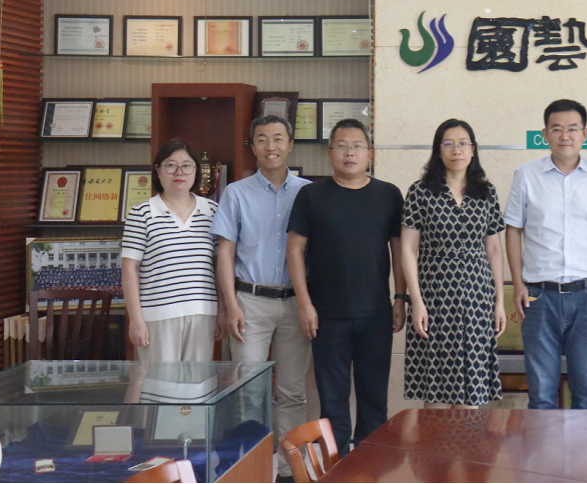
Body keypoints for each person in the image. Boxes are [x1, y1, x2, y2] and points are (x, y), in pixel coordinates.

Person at [286, 118, 405, 453]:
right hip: (327, 316)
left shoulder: (388, 194)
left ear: (369, 153)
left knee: (374, 404)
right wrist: (305, 304)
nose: (349, 153)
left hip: (376, 315)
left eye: (356, 146)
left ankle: (371, 469)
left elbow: (399, 250)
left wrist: (400, 298)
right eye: (341, 146)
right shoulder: (311, 195)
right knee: (333, 406)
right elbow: (294, 251)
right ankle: (335, 471)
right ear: (330, 152)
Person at [212, 114, 312, 480]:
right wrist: (231, 305)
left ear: (290, 145)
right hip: (249, 303)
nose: (271, 146)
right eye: (262, 139)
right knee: (250, 392)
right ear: (252, 146)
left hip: (295, 302)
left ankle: (289, 469)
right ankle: (255, 470)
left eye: (278, 138)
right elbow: (225, 253)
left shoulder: (308, 192)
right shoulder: (236, 193)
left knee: (292, 392)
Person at [505, 99, 587, 409]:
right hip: (539, 297)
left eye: (572, 128)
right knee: (541, 394)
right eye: (556, 129)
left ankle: (585, 445)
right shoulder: (526, 174)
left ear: (585, 134)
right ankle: (544, 445)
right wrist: (518, 283)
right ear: (544, 134)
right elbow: (513, 230)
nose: (564, 136)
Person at [400, 119, 506, 407]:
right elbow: (408, 249)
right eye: (448, 144)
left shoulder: (486, 192)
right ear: (438, 150)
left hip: (477, 301)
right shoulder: (420, 192)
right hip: (434, 300)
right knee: (436, 398)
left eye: (463, 144)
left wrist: (499, 302)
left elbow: (494, 250)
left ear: (473, 150)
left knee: (472, 399)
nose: (456, 150)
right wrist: (416, 302)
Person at [121, 138, 220, 361]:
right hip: (157, 315)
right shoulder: (142, 213)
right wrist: (136, 320)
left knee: (199, 381)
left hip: (203, 313)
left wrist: (222, 310)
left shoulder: (212, 211)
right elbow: (129, 268)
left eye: (187, 165)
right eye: (170, 165)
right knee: (158, 381)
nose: (179, 172)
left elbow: (219, 267)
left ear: (196, 171)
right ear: (158, 170)